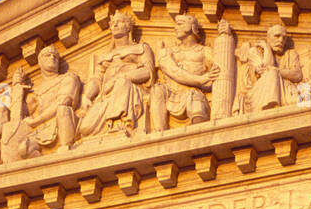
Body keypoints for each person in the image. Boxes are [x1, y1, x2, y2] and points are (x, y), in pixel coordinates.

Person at [78, 11, 155, 140]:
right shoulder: (105, 57)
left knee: (122, 83)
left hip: (130, 91)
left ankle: (119, 124)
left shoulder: (141, 48)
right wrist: (87, 96)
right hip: (106, 95)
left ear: (128, 27)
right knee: (85, 129)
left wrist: (122, 77)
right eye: (113, 23)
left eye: (119, 22)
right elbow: (97, 80)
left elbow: (147, 72)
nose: (115, 25)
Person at [151, 14, 219, 129]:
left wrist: (208, 83)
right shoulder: (167, 52)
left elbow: (218, 72)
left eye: (180, 24)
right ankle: (159, 136)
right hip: (171, 93)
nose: (175, 28)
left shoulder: (204, 51)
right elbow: (173, 71)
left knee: (195, 101)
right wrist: (202, 79)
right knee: (157, 89)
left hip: (194, 93)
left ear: (191, 26)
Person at [236, 22, 304, 112]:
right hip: (259, 95)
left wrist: (276, 70)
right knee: (271, 74)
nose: (281, 40)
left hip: (288, 92)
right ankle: (271, 107)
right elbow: (266, 71)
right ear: (268, 38)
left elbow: (298, 75)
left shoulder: (291, 54)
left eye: (284, 38)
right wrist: (267, 49)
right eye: (277, 36)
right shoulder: (254, 51)